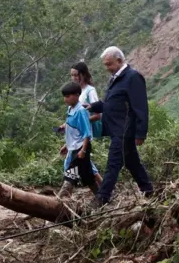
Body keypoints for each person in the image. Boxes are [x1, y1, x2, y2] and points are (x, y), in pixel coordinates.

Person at [87, 46, 153, 207]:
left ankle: (102, 197)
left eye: (109, 64)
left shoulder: (132, 77)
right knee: (131, 162)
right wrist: (92, 107)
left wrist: (140, 133)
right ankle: (148, 190)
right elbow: (110, 103)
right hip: (117, 128)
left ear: (119, 60)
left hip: (125, 129)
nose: (106, 68)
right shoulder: (116, 78)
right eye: (105, 64)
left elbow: (141, 107)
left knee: (113, 163)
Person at [57, 82, 99, 198]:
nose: (65, 99)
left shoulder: (81, 111)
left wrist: (83, 150)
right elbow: (73, 132)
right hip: (75, 146)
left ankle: (61, 198)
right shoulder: (70, 109)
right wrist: (67, 145)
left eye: (68, 96)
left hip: (81, 147)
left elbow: (86, 133)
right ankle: (101, 197)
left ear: (76, 95)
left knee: (70, 173)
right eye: (64, 96)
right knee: (87, 176)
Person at [70, 62, 103, 186]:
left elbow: (97, 115)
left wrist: (81, 121)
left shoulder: (90, 91)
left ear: (83, 75)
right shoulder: (77, 91)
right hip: (76, 132)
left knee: (76, 159)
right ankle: (104, 188)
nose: (74, 78)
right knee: (83, 160)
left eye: (76, 75)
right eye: (72, 75)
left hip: (85, 132)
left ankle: (68, 187)